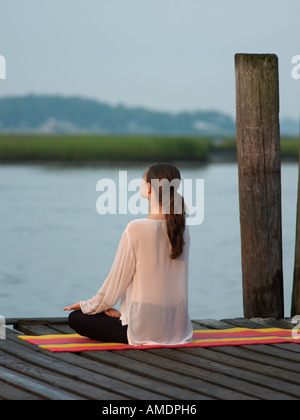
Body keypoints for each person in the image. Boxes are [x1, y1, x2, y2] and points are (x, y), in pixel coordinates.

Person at [64, 162, 193, 346]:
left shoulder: (136, 228)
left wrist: (88, 306)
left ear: (149, 187)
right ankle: (129, 317)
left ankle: (127, 319)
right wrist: (123, 314)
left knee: (75, 318)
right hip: (177, 327)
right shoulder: (182, 229)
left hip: (143, 328)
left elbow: (115, 282)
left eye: (142, 179)